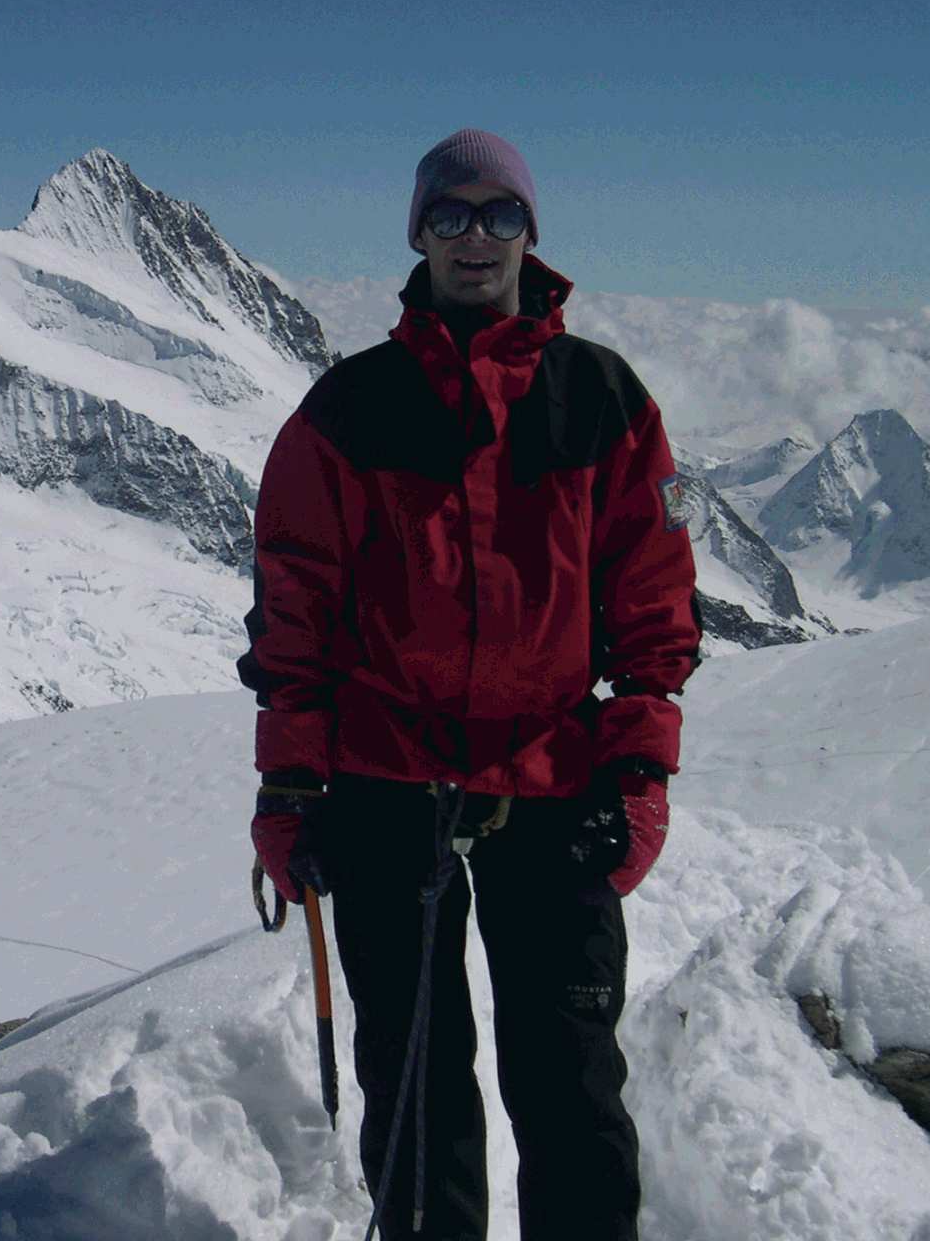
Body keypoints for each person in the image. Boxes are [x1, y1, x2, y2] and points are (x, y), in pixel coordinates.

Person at [239, 128, 700, 1240]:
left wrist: (640, 768)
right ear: (419, 236)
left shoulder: (601, 398)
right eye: (450, 214)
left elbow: (652, 596)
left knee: (571, 1081)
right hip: (385, 781)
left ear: (530, 233)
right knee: (413, 1087)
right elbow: (295, 609)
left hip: (554, 778)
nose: (475, 236)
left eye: (500, 213)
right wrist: (289, 787)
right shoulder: (348, 410)